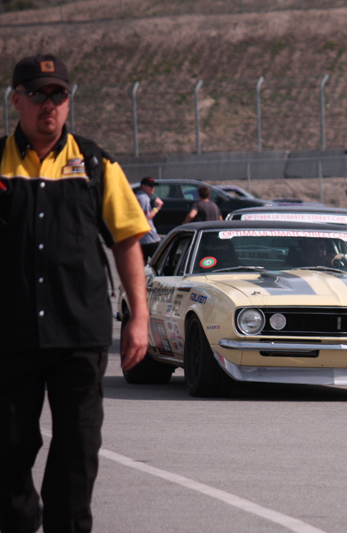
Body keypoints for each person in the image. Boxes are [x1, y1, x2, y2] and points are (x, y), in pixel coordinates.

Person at [0, 54, 151, 533]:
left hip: (79, 334)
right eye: (38, 94)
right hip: (11, 335)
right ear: (16, 100)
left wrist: (139, 317)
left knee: (77, 449)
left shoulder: (96, 164)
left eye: (58, 94)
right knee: (8, 447)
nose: (49, 104)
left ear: (68, 101)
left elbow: (127, 240)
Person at [135, 176, 164, 264]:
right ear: (143, 187)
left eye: (153, 186)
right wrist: (157, 208)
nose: (153, 188)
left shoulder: (138, 196)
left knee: (142, 266)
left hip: (141, 238)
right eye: (150, 186)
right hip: (150, 238)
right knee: (160, 263)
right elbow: (144, 218)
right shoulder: (143, 198)